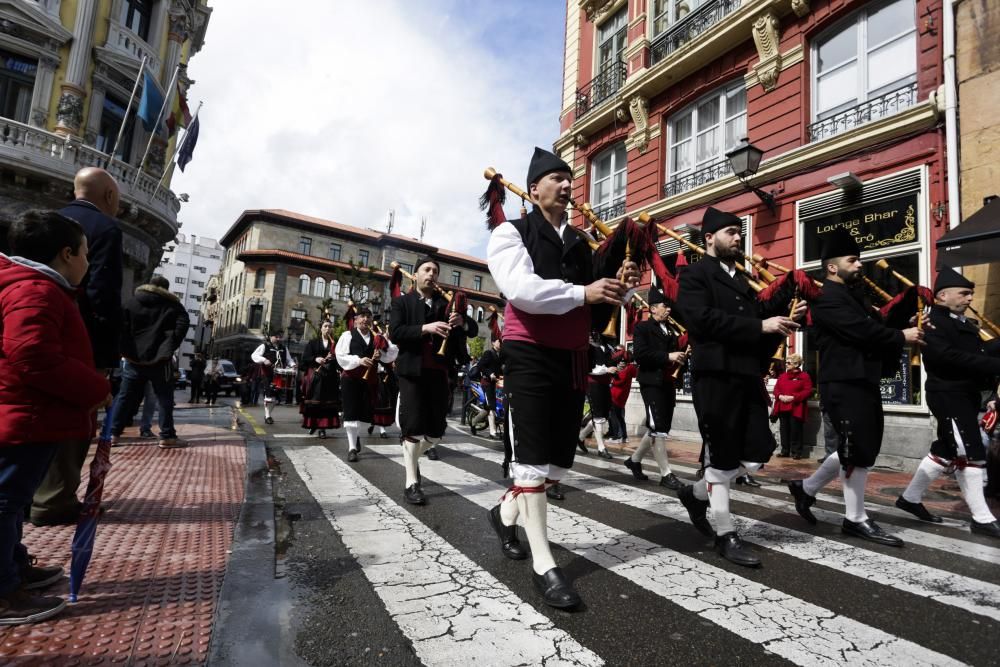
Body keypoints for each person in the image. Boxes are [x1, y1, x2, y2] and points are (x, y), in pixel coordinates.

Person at [486, 147, 639, 608]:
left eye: (571, 180)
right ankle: (544, 566)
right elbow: (522, 291)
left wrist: (619, 285)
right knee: (531, 461)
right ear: (534, 190)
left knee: (556, 465)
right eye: (558, 178)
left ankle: (504, 513)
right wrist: (584, 290)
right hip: (529, 355)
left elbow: (597, 307)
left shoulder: (581, 243)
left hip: (572, 358)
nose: (569, 186)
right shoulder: (510, 233)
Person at [675, 207, 805, 567]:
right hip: (715, 376)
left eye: (739, 232)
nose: (738, 238)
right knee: (722, 456)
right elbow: (700, 320)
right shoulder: (694, 274)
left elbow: (754, 335)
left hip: (746, 376)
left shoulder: (745, 282)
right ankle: (725, 533)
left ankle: (695, 494)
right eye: (730, 232)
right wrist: (759, 327)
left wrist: (781, 326)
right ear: (709, 239)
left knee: (756, 454)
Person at [0, 209, 112, 624]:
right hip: (24, 414)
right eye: (85, 253)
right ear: (67, 253)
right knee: (6, 500)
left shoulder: (35, 286)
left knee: (14, 500)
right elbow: (33, 355)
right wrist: (95, 388)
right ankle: (3, 591)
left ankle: (14, 568)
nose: (88, 262)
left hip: (27, 411)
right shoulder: (36, 291)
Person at [787, 227, 921, 546]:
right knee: (855, 449)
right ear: (832, 267)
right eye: (852, 260)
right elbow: (861, 331)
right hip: (843, 384)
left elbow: (875, 325)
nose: (860, 265)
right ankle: (855, 518)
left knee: (861, 447)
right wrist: (902, 337)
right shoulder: (827, 300)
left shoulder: (853, 296)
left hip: (863, 380)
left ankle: (805, 489)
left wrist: (903, 324)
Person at [31, 168, 122, 526]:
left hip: (36, 327)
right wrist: (105, 356)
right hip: (80, 338)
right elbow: (102, 292)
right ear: (110, 197)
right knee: (76, 421)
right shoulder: (104, 229)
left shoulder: (48, 221)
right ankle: (55, 500)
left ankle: (29, 493)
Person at [895, 267, 1000, 537]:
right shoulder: (931, 322)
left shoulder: (961, 322)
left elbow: (975, 352)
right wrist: (995, 364)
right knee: (970, 452)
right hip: (948, 394)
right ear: (942, 295)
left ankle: (910, 498)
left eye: (971, 294)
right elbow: (947, 357)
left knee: (945, 450)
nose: (969, 299)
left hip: (964, 393)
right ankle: (981, 517)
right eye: (964, 293)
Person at [389, 257, 476, 501]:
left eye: (435, 271)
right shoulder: (402, 303)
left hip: (439, 372)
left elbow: (474, 330)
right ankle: (412, 483)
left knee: (436, 433)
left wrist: (462, 321)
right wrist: (425, 328)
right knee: (414, 426)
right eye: (427, 270)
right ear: (415, 275)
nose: (432, 274)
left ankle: (411, 457)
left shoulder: (444, 304)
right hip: (411, 372)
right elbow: (395, 333)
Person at [109, 275, 190, 449]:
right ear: (166, 289)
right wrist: (169, 345)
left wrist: (126, 349)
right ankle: (167, 436)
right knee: (164, 399)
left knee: (124, 397)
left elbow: (119, 326)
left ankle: (113, 434)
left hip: (133, 359)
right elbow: (183, 324)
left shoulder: (132, 302)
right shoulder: (173, 305)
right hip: (160, 361)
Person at [627, 286, 687, 490]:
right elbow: (640, 355)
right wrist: (667, 356)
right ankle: (665, 473)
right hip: (651, 382)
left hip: (667, 382)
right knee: (658, 426)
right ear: (652, 309)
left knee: (660, 426)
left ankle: (634, 460)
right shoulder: (642, 328)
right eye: (665, 306)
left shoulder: (669, 330)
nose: (668, 309)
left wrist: (680, 355)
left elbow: (672, 354)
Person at [337, 308, 399, 462]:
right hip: (350, 379)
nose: (365, 319)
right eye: (362, 316)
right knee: (351, 412)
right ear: (356, 320)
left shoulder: (377, 337)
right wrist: (359, 360)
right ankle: (352, 448)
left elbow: (389, 356)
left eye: (368, 317)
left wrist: (383, 352)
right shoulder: (348, 335)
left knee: (362, 412)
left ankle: (355, 436)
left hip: (369, 380)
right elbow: (341, 356)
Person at [578, 332, 617, 460]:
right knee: (599, 415)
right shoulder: (588, 348)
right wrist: (607, 370)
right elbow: (588, 368)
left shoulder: (608, 348)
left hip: (605, 384)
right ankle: (601, 447)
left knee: (603, 416)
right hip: (593, 384)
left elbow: (610, 363)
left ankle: (580, 437)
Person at [300, 321, 342, 439]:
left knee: (326, 404)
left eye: (330, 327)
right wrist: (316, 359)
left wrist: (333, 360)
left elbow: (340, 359)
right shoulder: (313, 343)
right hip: (316, 377)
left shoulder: (335, 344)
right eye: (325, 326)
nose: (328, 329)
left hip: (330, 377)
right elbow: (305, 358)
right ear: (321, 329)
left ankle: (322, 428)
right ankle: (313, 424)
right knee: (316, 402)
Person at [771, 354, 813, 459]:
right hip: (782, 405)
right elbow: (776, 389)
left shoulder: (804, 376)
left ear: (796, 364)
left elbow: (808, 391)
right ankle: (785, 451)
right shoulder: (782, 376)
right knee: (784, 429)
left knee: (796, 430)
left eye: (789, 363)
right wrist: (780, 396)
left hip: (796, 407)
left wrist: (793, 397)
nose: (786, 364)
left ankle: (796, 452)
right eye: (786, 362)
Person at [251, 332, 296, 424]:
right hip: (267, 374)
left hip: (279, 376)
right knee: (269, 395)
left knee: (275, 397)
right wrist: (264, 360)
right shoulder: (264, 346)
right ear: (271, 337)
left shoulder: (284, 348)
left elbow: (289, 359)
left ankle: (268, 414)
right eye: (277, 336)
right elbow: (254, 355)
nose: (279, 339)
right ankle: (267, 415)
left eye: (280, 337)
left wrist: (293, 365)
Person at [476, 338, 503, 440]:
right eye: (499, 341)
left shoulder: (498, 355)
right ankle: (492, 433)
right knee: (491, 406)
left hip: (495, 384)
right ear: (493, 343)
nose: (500, 343)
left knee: (492, 406)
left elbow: (499, 370)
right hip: (487, 383)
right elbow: (480, 365)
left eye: (501, 342)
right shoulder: (488, 353)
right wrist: (489, 373)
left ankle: (476, 420)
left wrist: (502, 375)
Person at [608, 350, 636, 444]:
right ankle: (623, 437)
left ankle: (617, 437)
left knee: (615, 417)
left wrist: (612, 378)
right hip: (620, 397)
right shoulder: (630, 368)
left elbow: (618, 382)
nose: (621, 363)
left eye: (623, 361)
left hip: (616, 396)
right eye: (620, 361)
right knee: (619, 417)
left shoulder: (627, 369)